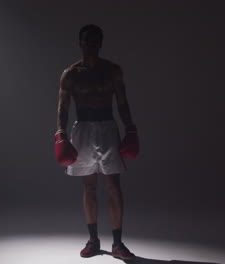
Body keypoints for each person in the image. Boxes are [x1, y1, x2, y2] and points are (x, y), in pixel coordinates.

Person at [54, 24, 139, 260]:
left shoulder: (112, 71)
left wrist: (130, 128)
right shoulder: (70, 74)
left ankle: (118, 244)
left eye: (94, 42)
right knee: (89, 187)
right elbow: (63, 106)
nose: (90, 45)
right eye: (86, 41)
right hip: (82, 129)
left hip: (107, 127)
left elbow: (122, 102)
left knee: (113, 187)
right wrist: (60, 132)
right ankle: (93, 240)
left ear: (100, 44)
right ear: (80, 43)